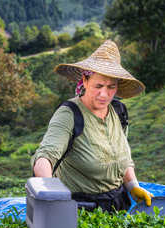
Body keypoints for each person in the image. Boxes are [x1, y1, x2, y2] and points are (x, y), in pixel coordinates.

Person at [31, 40, 153, 212]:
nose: (104, 94)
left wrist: (132, 185)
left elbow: (121, 157)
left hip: (118, 204)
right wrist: (52, 196)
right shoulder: (70, 113)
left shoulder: (118, 111)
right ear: (85, 81)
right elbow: (44, 157)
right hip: (80, 208)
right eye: (98, 86)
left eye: (111, 87)